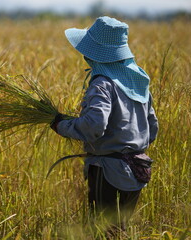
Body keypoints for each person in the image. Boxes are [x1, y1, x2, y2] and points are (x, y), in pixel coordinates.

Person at [50, 16, 159, 237]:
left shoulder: (102, 83)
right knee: (118, 231)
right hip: (138, 169)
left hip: (108, 170)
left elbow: (93, 126)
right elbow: (152, 128)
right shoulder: (137, 81)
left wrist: (61, 125)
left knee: (101, 231)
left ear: (94, 53)